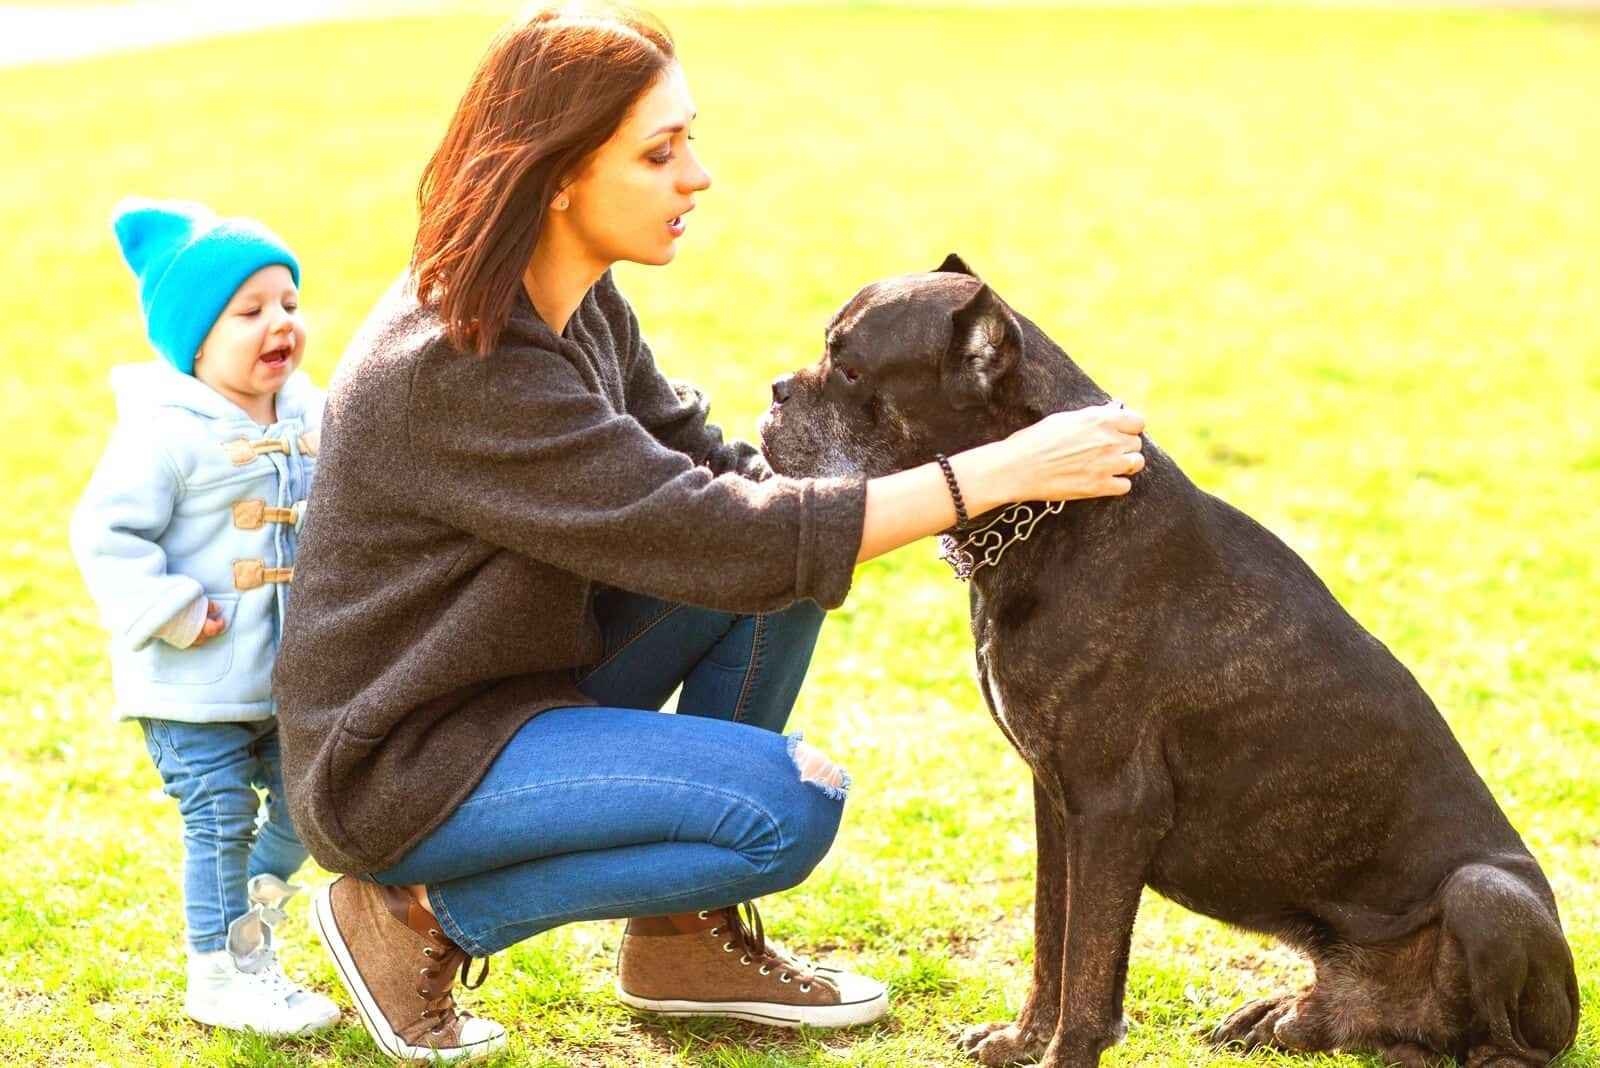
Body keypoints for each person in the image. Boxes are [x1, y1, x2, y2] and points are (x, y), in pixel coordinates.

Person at [274, 6, 1147, 1063]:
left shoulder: (574, 302)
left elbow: (735, 488)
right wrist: (992, 476)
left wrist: (964, 467)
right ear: (557, 175)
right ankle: (413, 919)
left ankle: (681, 942)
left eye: (689, 138)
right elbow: (719, 535)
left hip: (517, 681)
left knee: (785, 570)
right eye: (660, 151)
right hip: (405, 757)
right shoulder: (464, 366)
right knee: (786, 808)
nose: (698, 175)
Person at [69, 198, 339, 1036]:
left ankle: (249, 939)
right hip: (191, 678)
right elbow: (103, 534)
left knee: (311, 804)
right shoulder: (164, 435)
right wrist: (173, 609)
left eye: (288, 304)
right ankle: (221, 971)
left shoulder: (309, 412)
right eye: (249, 311)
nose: (279, 324)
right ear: (195, 337)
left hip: (287, 674)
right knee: (220, 815)